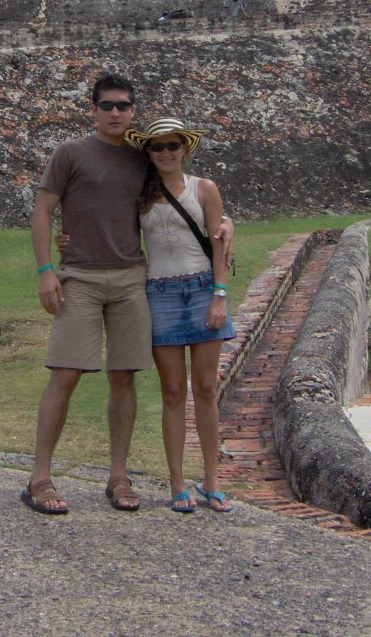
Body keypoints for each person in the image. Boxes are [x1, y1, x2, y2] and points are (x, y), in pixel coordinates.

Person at [23, 72, 234, 515]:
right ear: (94, 109)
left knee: (124, 376)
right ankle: (39, 477)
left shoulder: (144, 160)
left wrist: (226, 224)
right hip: (79, 276)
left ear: (133, 111)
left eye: (123, 105)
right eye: (107, 105)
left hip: (132, 279)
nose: (115, 112)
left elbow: (189, 196)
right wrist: (46, 269)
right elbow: (43, 210)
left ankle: (119, 476)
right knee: (65, 372)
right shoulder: (71, 152)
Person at [125, 117, 235, 513]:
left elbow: (218, 239)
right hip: (161, 293)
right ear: (148, 152)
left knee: (206, 389)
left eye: (173, 145)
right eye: (158, 147)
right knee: (172, 391)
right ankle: (176, 482)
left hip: (203, 287)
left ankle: (211, 479)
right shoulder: (140, 195)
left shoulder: (202, 188)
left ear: (184, 148)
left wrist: (219, 295)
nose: (166, 153)